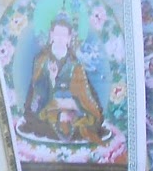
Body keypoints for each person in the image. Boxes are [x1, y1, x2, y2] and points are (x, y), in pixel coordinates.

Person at [21, 13, 104, 142]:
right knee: (39, 122)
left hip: (73, 106)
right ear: (51, 35)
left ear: (69, 38)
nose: (60, 39)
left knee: (91, 121)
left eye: (64, 35)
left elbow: (84, 93)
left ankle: (68, 121)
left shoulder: (76, 64)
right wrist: (51, 79)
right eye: (57, 34)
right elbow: (36, 92)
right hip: (47, 105)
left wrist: (72, 105)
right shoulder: (41, 60)